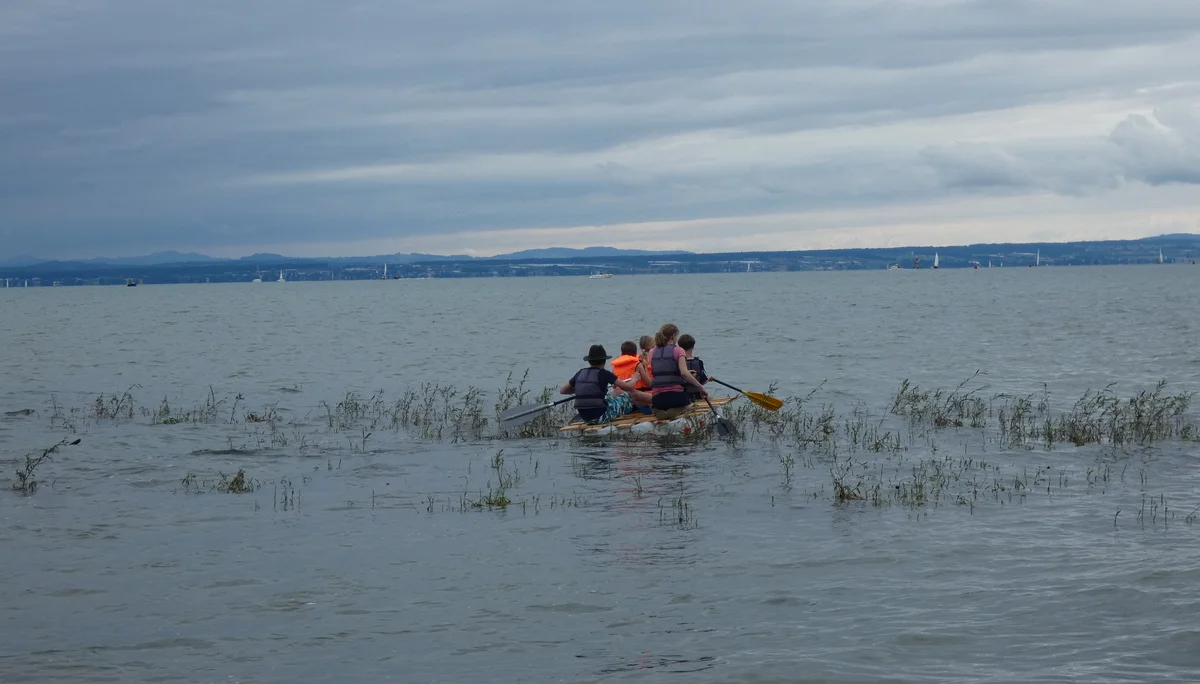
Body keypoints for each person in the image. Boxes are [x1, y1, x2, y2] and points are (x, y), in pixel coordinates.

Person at [561, 345, 652, 424]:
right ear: (604, 360)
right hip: (601, 417)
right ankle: (649, 409)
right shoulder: (604, 373)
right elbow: (628, 387)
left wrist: (581, 389)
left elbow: (563, 390)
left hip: (585, 417)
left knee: (617, 391)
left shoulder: (580, 372)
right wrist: (634, 379)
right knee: (629, 395)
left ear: (589, 361)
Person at [648, 323, 708, 420]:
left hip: (657, 398)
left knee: (660, 404)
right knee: (688, 402)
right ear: (673, 336)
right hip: (676, 397)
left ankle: (659, 411)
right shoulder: (679, 350)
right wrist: (701, 387)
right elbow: (684, 373)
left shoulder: (652, 352)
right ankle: (680, 409)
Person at [677, 333, 710, 400]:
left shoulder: (677, 362)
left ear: (680, 347)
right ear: (693, 346)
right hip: (696, 395)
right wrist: (708, 379)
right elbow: (702, 381)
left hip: (682, 395)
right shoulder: (699, 362)